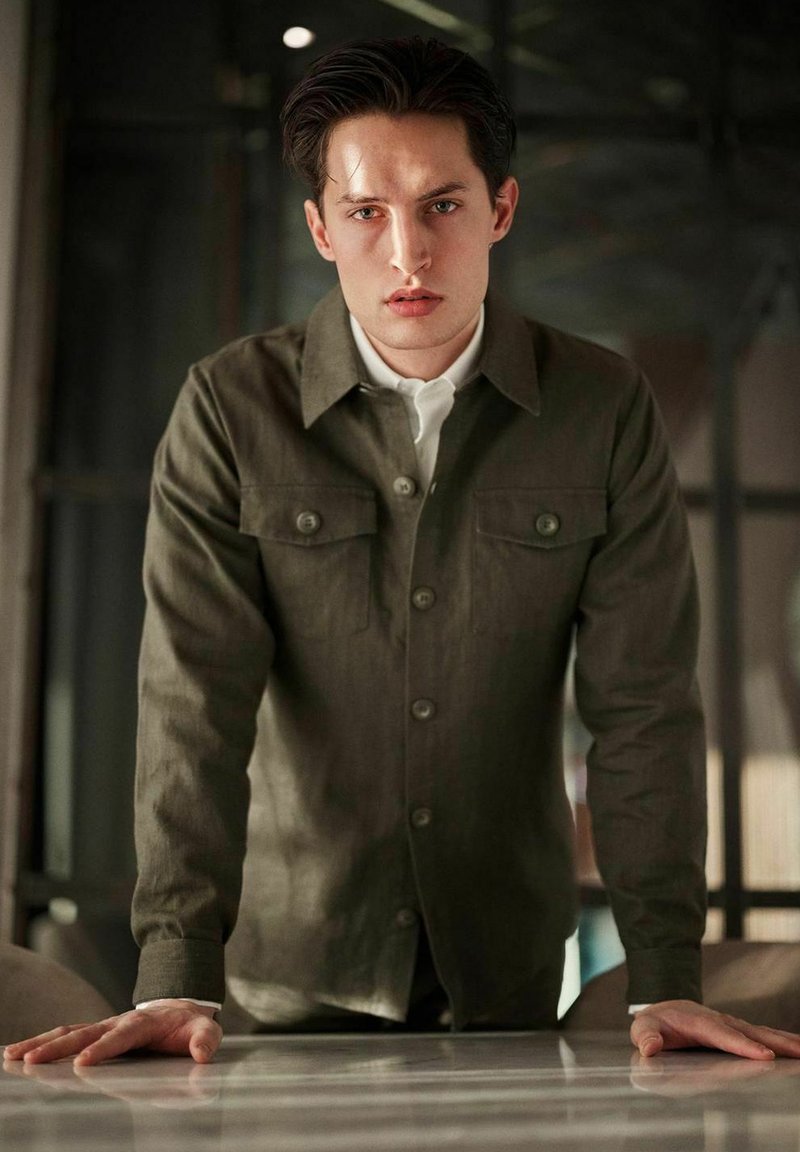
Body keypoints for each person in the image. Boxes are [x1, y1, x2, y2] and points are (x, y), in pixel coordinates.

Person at [6, 36, 800, 1068]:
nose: (408, 254)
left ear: (500, 209)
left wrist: (661, 973)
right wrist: (175, 970)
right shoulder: (230, 409)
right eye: (366, 212)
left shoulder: (601, 408)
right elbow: (193, 701)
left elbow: (641, 705)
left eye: (442, 205)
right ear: (320, 228)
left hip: (509, 978)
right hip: (282, 980)